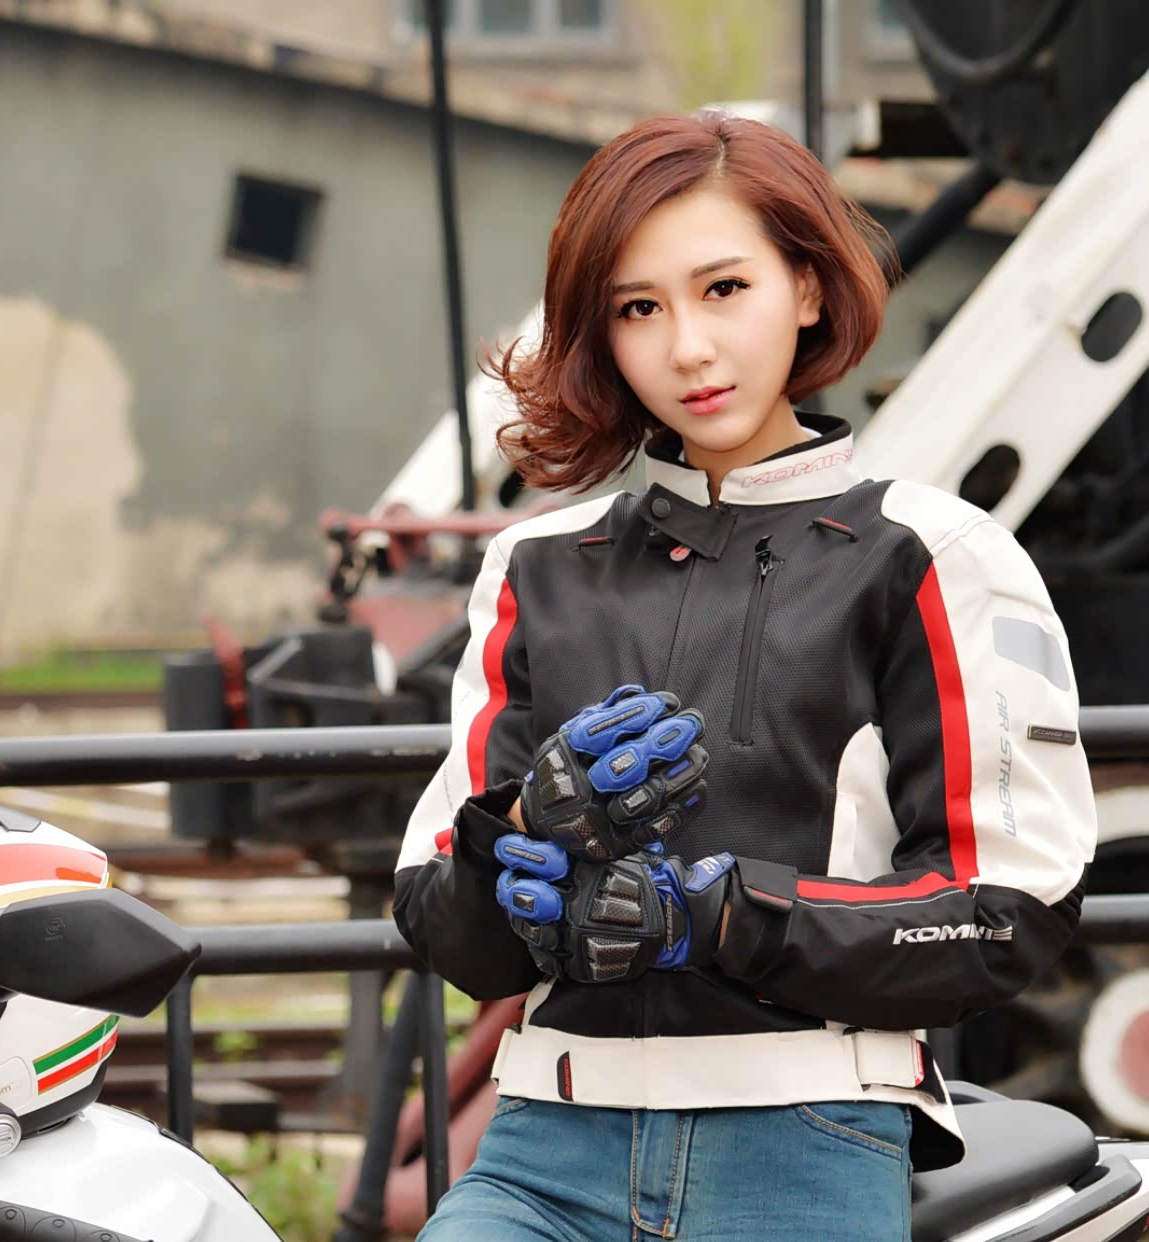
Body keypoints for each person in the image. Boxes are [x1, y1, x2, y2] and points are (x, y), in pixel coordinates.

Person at [392, 110, 1098, 1241]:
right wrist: (523, 826)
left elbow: (1009, 908)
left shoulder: (936, 555)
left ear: (808, 287)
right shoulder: (532, 567)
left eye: (724, 288)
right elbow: (447, 934)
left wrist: (717, 916)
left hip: (807, 1141)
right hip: (539, 1153)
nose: (688, 349)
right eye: (638, 308)